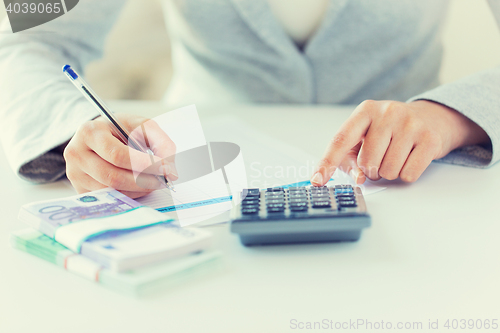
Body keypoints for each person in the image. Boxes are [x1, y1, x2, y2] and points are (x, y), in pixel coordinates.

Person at [0, 0, 497, 198]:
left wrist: (451, 116)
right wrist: (75, 128)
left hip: (421, 187)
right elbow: (22, 40)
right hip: (187, 185)